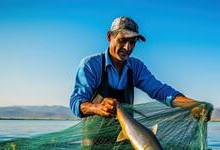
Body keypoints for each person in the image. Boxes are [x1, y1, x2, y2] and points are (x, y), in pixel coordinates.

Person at [70, 16, 212, 121]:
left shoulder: (136, 67)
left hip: (125, 140)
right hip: (92, 145)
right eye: (122, 40)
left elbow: (160, 91)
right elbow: (76, 102)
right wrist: (97, 107)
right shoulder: (91, 65)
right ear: (109, 37)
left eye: (132, 43)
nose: (127, 48)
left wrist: (191, 104)